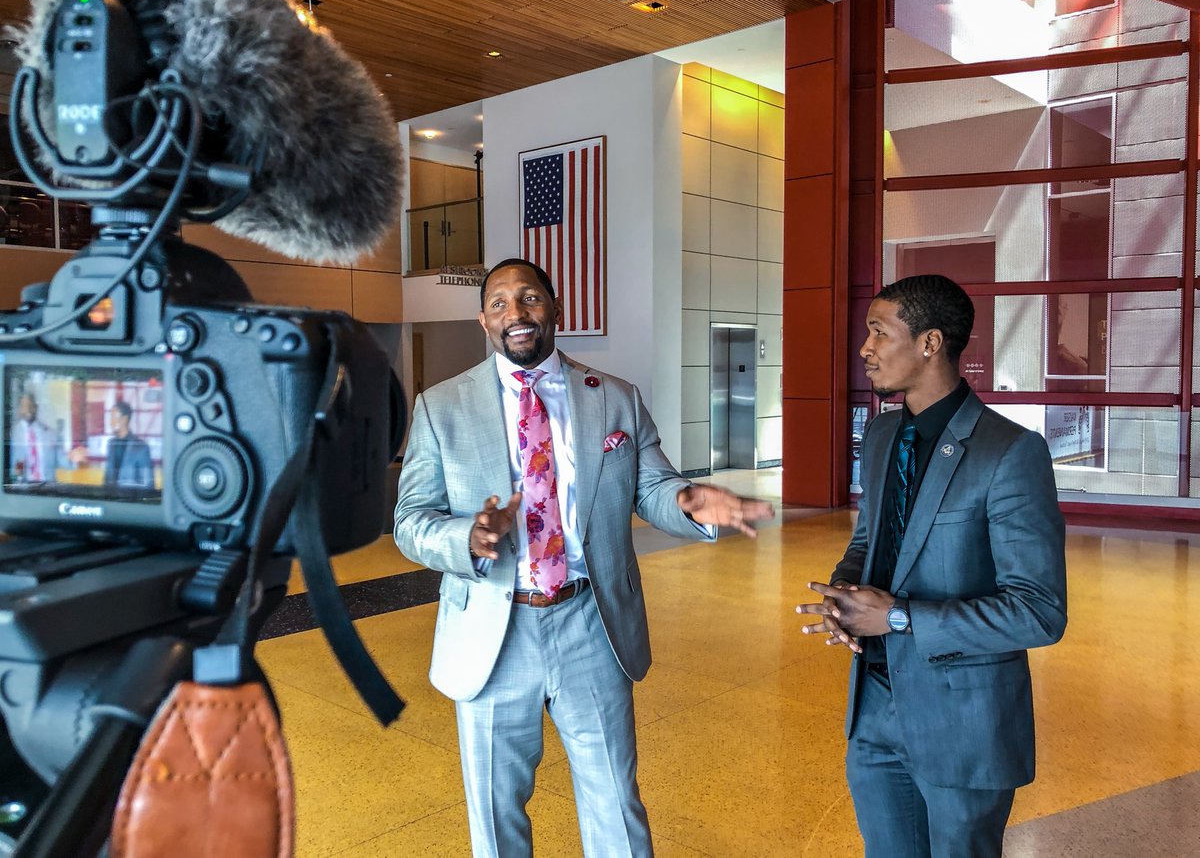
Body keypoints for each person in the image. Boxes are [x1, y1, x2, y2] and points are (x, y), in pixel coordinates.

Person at [394, 258, 773, 857]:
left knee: (615, 803)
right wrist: (466, 537)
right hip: (492, 630)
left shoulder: (615, 397)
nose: (515, 313)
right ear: (483, 321)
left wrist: (688, 501)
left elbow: (652, 487)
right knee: (494, 814)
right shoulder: (440, 407)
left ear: (555, 308)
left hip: (591, 623)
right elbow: (411, 520)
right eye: (498, 303)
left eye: (529, 298)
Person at [796, 274, 1067, 858]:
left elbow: (1039, 612)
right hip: (874, 706)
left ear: (930, 343)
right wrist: (845, 589)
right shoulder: (883, 434)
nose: (865, 348)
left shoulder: (1009, 452)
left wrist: (899, 618)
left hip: (963, 721)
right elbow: (870, 539)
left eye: (878, 332)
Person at [8, 391, 84, 483]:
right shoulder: (12, 433)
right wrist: (17, 475)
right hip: (23, 488)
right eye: (24, 406)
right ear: (19, 409)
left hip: (47, 487)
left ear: (36, 407)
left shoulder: (50, 434)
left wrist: (73, 458)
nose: (28, 410)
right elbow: (16, 464)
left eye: (31, 406)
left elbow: (61, 460)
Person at [103, 400, 153, 488]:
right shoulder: (111, 444)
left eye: (113, 417)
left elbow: (148, 484)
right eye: (111, 418)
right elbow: (107, 478)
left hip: (131, 496)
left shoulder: (141, 447)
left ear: (124, 419)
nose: (111, 422)